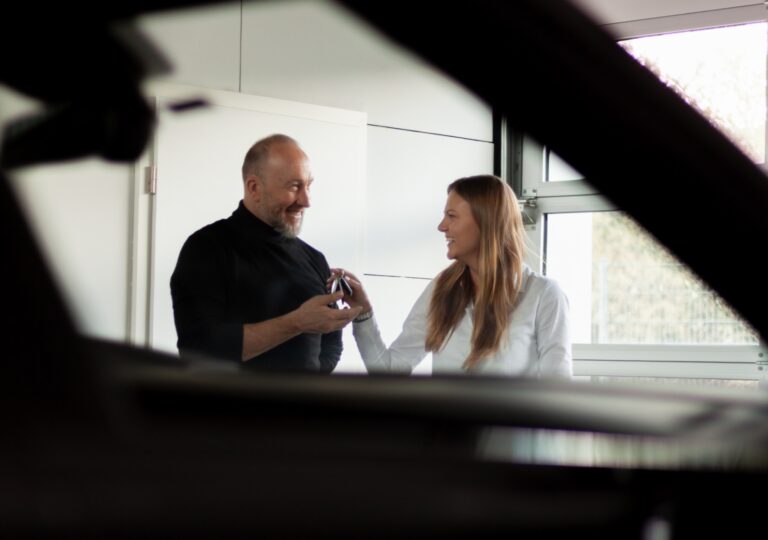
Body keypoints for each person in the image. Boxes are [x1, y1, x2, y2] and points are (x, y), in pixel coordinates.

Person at [337, 174, 572, 377]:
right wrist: (363, 314)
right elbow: (388, 371)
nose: (442, 226)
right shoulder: (442, 289)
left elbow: (558, 393)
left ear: (485, 222)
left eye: (452, 216)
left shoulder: (544, 295)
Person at [170, 134, 361, 372]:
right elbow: (198, 349)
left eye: (308, 185)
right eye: (294, 186)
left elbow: (331, 344)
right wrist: (297, 323)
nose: (306, 200)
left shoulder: (315, 259)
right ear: (254, 187)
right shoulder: (206, 248)